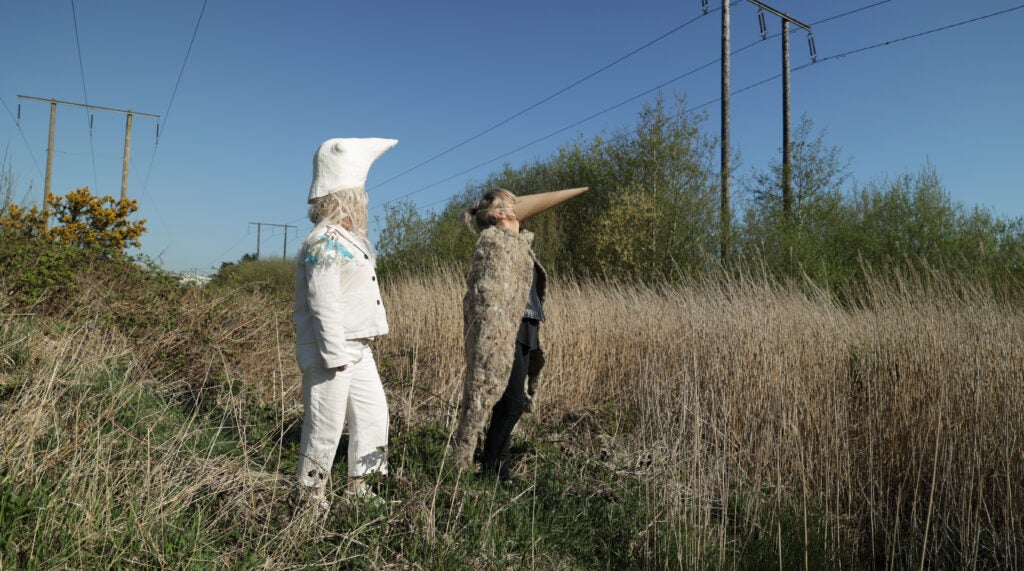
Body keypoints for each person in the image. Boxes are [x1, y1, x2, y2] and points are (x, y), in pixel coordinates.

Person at [453, 186, 588, 485]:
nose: (519, 207)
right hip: (503, 332)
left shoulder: (519, 245)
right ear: (500, 214)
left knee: (510, 402)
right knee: (512, 401)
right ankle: (492, 468)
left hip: (526, 327)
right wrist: (493, 335)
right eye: (513, 203)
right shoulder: (493, 245)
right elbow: (486, 296)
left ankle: (498, 468)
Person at [293, 137, 397, 511]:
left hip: (358, 347)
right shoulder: (324, 241)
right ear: (345, 199)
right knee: (325, 425)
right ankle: (309, 500)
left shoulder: (347, 240)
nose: (365, 205)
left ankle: (361, 489)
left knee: (373, 416)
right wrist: (335, 353)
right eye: (361, 198)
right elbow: (323, 302)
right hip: (332, 350)